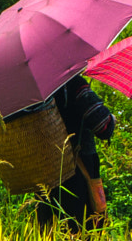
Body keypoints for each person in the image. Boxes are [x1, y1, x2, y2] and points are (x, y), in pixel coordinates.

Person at [37, 73, 115, 231]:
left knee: (50, 236)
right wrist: (111, 119)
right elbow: (103, 127)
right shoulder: (75, 85)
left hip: (45, 176)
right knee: (82, 237)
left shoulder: (36, 89)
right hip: (77, 175)